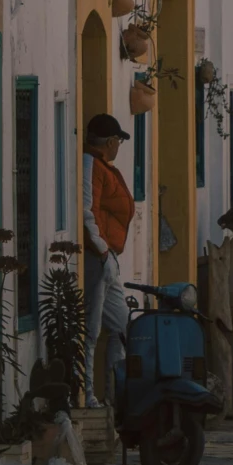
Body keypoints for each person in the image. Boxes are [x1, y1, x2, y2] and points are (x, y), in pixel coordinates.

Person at [81, 113, 134, 405]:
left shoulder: (103, 166)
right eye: (118, 142)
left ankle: (115, 396)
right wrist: (101, 250)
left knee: (121, 325)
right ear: (111, 142)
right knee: (91, 328)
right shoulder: (92, 164)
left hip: (108, 258)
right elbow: (86, 210)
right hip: (98, 257)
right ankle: (87, 394)